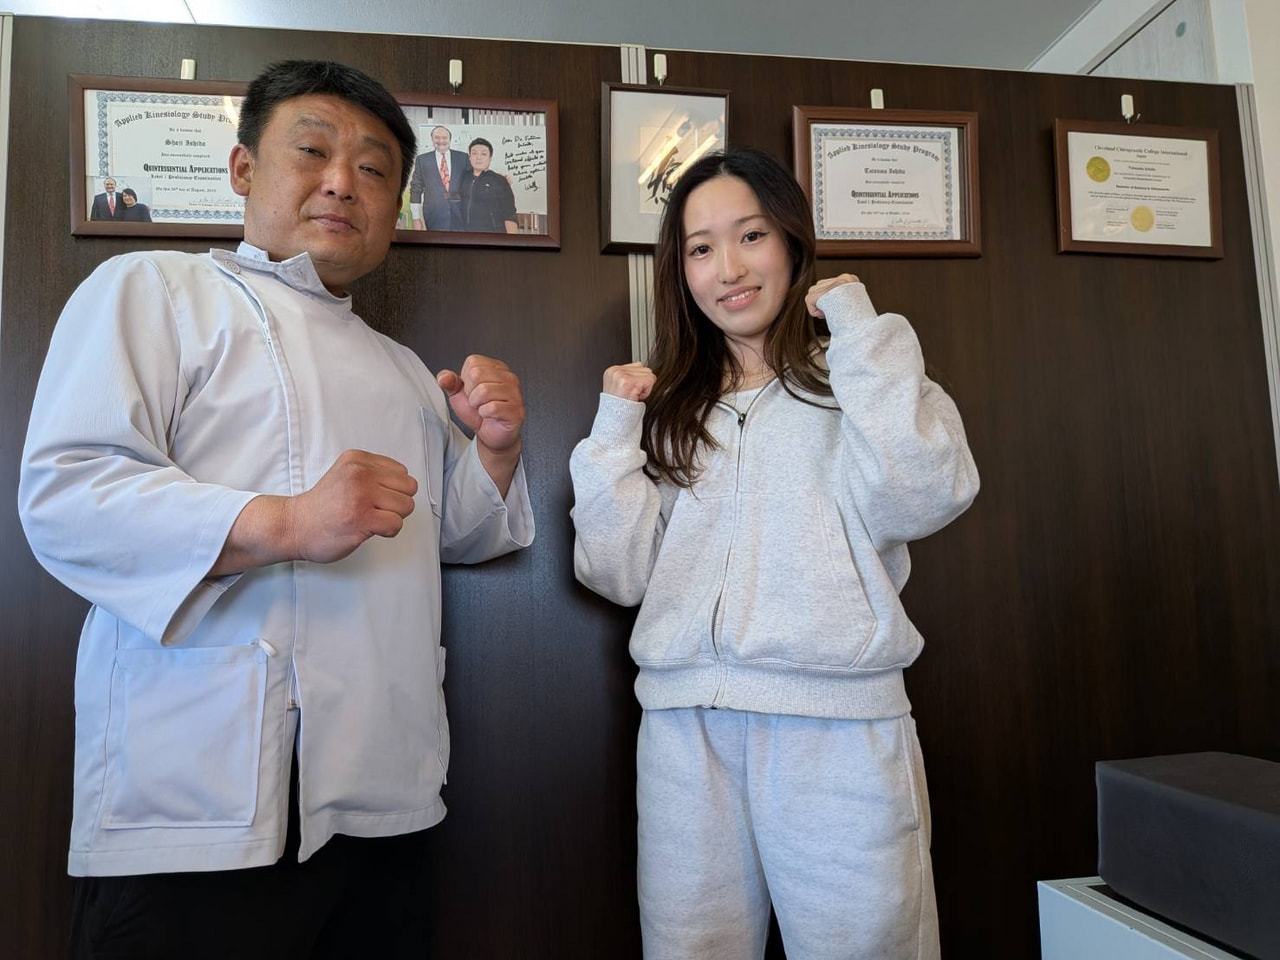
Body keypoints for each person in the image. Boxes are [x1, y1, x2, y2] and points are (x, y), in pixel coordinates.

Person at [19, 59, 534, 959]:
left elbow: (452, 533)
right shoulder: (154, 292)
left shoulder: (404, 369)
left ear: (396, 207)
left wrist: (494, 449)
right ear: (243, 168)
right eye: (312, 152)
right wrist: (287, 523)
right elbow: (68, 494)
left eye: (373, 170)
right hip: (203, 800)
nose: (342, 182)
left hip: (385, 796)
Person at [570, 148, 978, 960]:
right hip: (687, 731)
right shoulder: (668, 410)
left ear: (792, 243)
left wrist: (860, 332)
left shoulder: (855, 378)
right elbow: (618, 575)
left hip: (837, 727)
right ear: (680, 270)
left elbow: (928, 494)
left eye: (751, 235)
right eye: (701, 247)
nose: (728, 267)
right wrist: (614, 431)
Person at [408, 124, 469, 230]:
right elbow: (415, 189)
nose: (441, 141)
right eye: (437, 137)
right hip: (433, 216)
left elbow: (473, 182)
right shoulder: (422, 160)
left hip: (461, 215)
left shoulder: (463, 158)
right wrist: (416, 218)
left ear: (450, 139)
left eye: (444, 138)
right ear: (432, 139)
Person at [458, 138, 519, 234]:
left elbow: (510, 215)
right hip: (466, 236)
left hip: (492, 236)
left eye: (483, 154)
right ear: (469, 157)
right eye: (474, 153)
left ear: (490, 158)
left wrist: (511, 240)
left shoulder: (500, 181)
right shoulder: (463, 177)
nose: (478, 157)